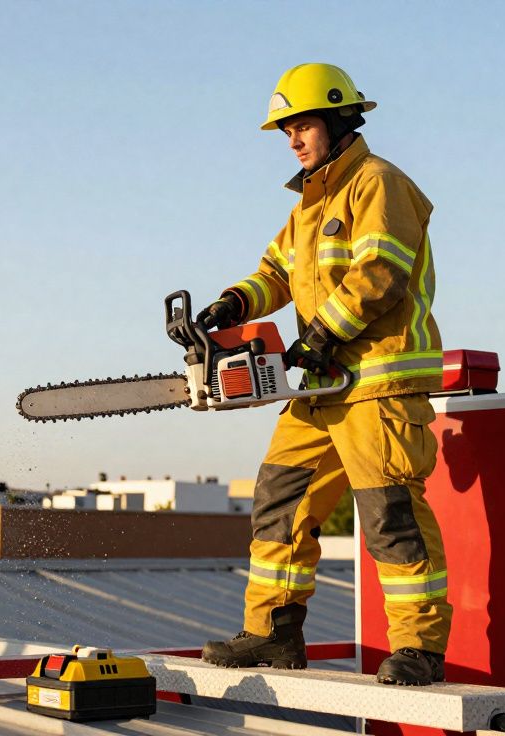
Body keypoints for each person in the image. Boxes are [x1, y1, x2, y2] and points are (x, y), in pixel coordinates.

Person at [197, 63, 451, 686]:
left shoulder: (379, 183)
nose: (291, 139)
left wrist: (321, 334)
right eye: (285, 129)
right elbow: (277, 274)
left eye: (301, 124)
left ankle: (418, 648)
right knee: (279, 504)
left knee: (390, 514)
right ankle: (272, 634)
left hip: (377, 382)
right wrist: (233, 303)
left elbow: (381, 274)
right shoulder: (309, 206)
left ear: (340, 121)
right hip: (321, 385)